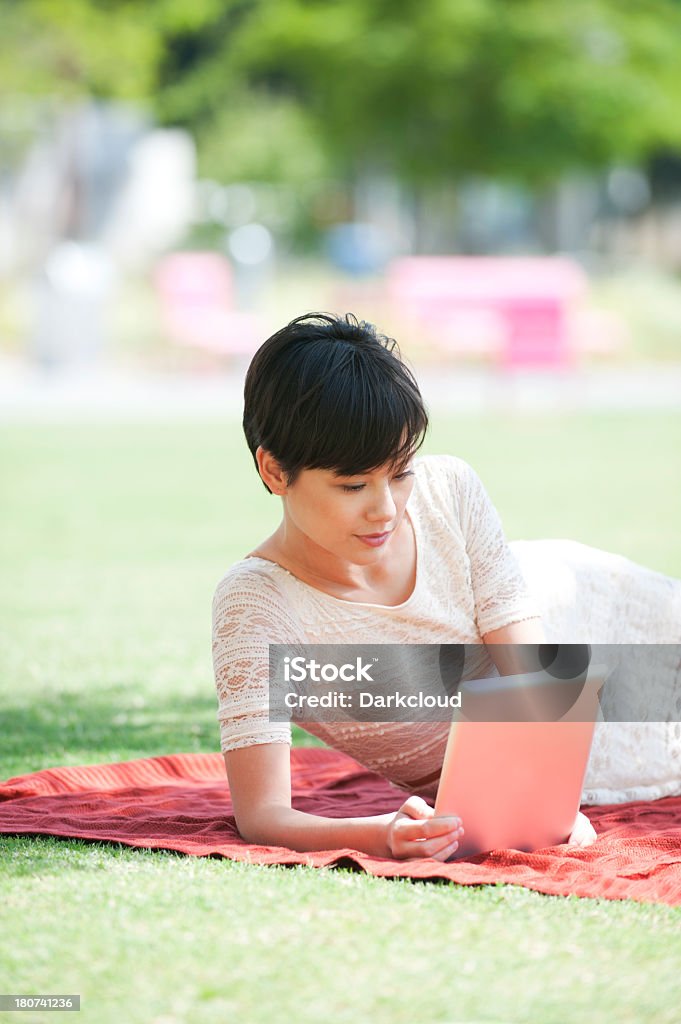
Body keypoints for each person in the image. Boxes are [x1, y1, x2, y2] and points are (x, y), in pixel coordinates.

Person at [212, 313, 681, 861]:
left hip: (589, 621)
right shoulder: (255, 606)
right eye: (353, 484)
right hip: (558, 755)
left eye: (401, 471)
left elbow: (534, 675)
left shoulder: (449, 489)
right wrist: (381, 833)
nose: (385, 509)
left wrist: (544, 796)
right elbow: (263, 815)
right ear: (273, 472)